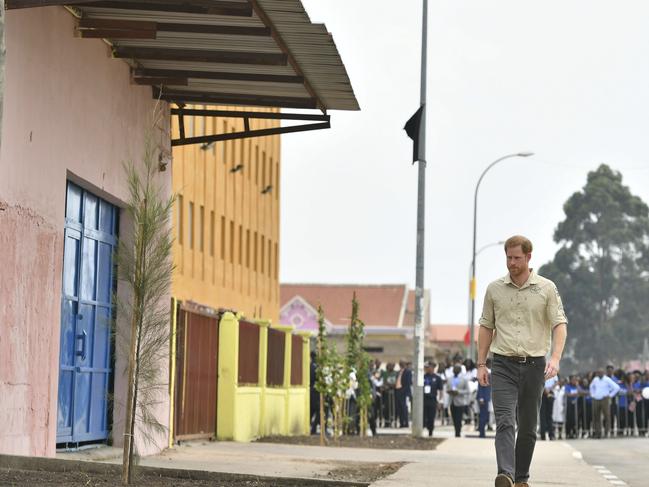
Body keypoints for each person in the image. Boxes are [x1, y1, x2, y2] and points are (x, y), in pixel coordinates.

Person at [477, 235, 567, 487]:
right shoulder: (494, 289)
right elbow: (486, 326)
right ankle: (505, 473)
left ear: (528, 257)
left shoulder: (546, 288)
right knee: (505, 420)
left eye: (517, 258)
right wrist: (481, 363)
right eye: (508, 257)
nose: (512, 263)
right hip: (503, 364)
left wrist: (556, 358)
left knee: (528, 427)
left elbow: (560, 324)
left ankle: (520, 478)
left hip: (534, 365)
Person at [590, 369, 620, 439]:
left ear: (604, 373)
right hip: (596, 399)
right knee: (596, 416)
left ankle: (607, 432)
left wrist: (610, 395)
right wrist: (593, 394)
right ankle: (598, 433)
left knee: (607, 416)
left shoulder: (607, 379)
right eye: (598, 373)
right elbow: (591, 387)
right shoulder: (595, 379)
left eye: (601, 373)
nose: (600, 374)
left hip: (605, 399)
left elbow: (616, 387)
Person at [446, 364, 470, 437]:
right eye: (454, 369)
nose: (454, 370)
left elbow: (468, 391)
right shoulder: (450, 378)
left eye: (456, 369)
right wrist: (449, 391)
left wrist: (458, 392)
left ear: (459, 370)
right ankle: (456, 430)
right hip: (452, 401)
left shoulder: (464, 379)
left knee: (458, 418)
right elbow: (447, 388)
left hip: (460, 402)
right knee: (454, 418)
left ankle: (458, 432)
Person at [423, 362, 444, 436]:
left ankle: (430, 431)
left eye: (430, 367)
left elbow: (440, 390)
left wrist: (440, 401)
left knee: (431, 416)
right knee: (424, 416)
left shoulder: (437, 378)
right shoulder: (423, 377)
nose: (428, 368)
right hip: (424, 399)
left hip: (432, 399)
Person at [477, 358, 492, 438]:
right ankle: (481, 433)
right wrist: (481, 398)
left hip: (488, 398)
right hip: (484, 398)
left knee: (486, 416)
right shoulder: (485, 373)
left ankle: (482, 432)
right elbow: (481, 386)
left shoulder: (489, 373)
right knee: (483, 416)